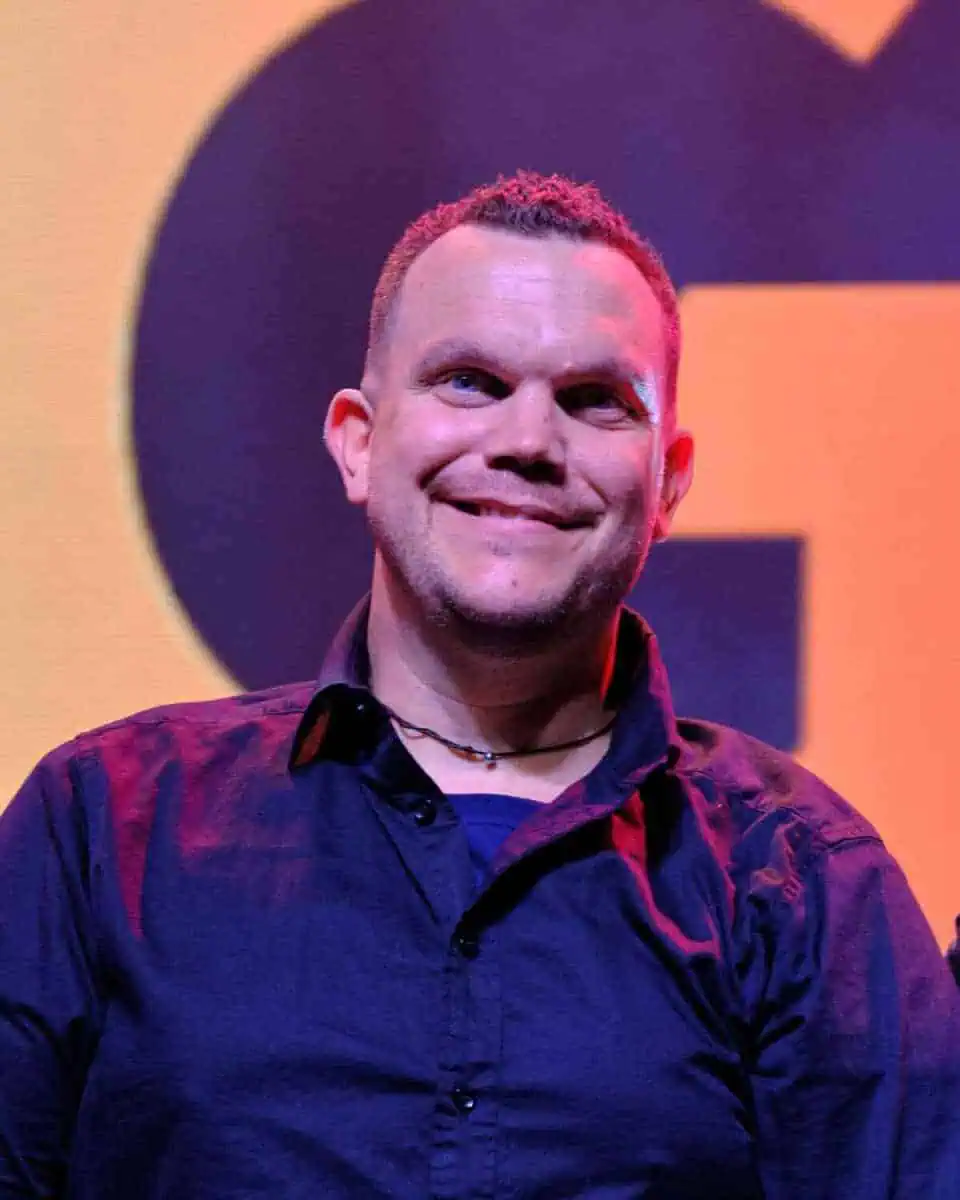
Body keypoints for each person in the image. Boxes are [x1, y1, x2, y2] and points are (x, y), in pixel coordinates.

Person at [1, 171, 958, 1199]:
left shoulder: (802, 875)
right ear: (358, 442)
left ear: (669, 481)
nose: (527, 442)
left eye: (595, 401)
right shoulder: (101, 828)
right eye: (469, 382)